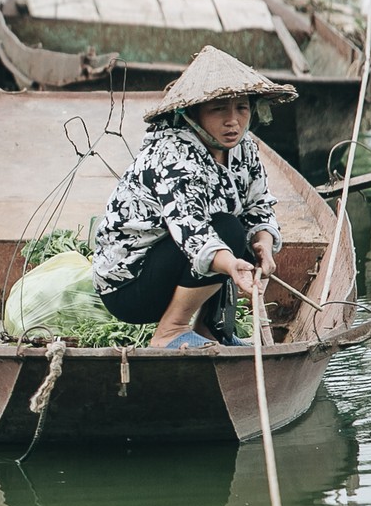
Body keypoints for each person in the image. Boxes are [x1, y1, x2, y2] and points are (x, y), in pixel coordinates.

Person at [91, 46, 296, 349]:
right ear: (193, 114)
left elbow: (258, 206)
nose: (233, 122)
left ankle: (211, 329)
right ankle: (170, 331)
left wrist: (264, 243)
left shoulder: (243, 148)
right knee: (226, 230)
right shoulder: (173, 153)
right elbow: (192, 232)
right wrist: (231, 265)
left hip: (175, 266)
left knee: (239, 232)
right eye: (218, 109)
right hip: (129, 285)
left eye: (241, 108)